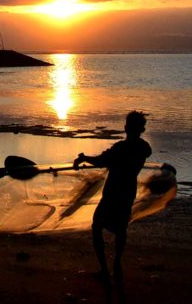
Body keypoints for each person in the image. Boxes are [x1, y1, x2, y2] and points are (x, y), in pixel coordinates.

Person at [73, 111, 151, 283]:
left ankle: (105, 269)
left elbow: (101, 160)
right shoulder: (144, 148)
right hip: (128, 192)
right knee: (121, 228)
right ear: (142, 129)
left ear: (125, 128)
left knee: (97, 226)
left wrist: (84, 158)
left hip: (113, 192)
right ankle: (116, 262)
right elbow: (107, 160)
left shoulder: (120, 148)